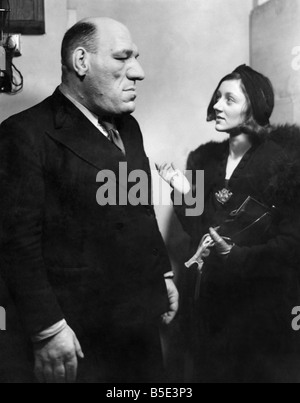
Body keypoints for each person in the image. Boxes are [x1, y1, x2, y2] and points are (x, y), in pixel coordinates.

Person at [0, 17, 179, 383]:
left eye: (136, 58)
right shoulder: (23, 133)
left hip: (138, 320)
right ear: (81, 62)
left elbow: (140, 210)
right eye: (122, 58)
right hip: (77, 334)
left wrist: (162, 272)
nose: (138, 72)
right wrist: (47, 329)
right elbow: (16, 245)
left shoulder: (128, 127)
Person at [158, 65, 300, 383]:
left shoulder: (286, 164)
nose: (217, 106)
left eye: (229, 99)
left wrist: (236, 256)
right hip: (211, 306)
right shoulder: (204, 160)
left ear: (255, 107)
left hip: (262, 314)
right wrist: (185, 193)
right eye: (217, 97)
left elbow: (293, 246)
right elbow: (198, 231)